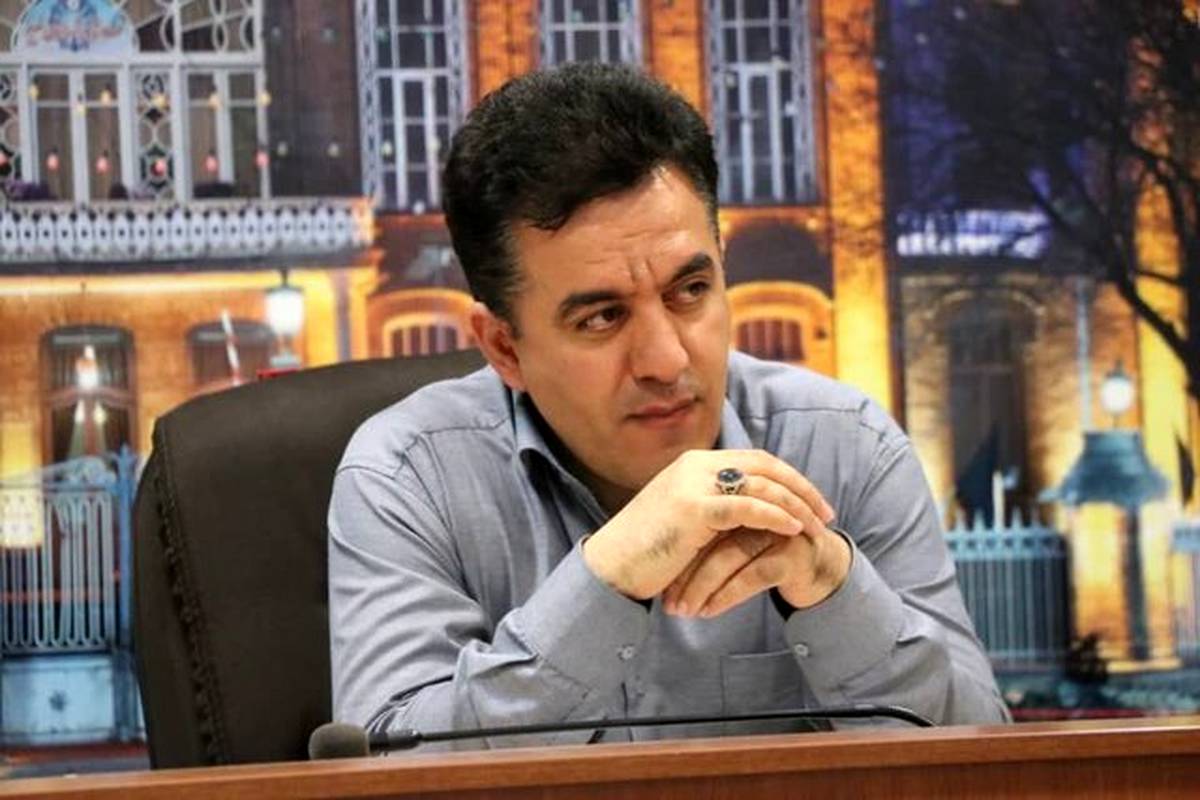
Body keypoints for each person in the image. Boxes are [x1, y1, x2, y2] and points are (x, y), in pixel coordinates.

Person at [329, 63, 1009, 749]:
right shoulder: (408, 475)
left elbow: (989, 762)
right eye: (601, 317)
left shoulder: (846, 447)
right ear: (505, 348)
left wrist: (835, 589)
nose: (667, 360)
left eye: (690, 291)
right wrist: (606, 581)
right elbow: (385, 766)